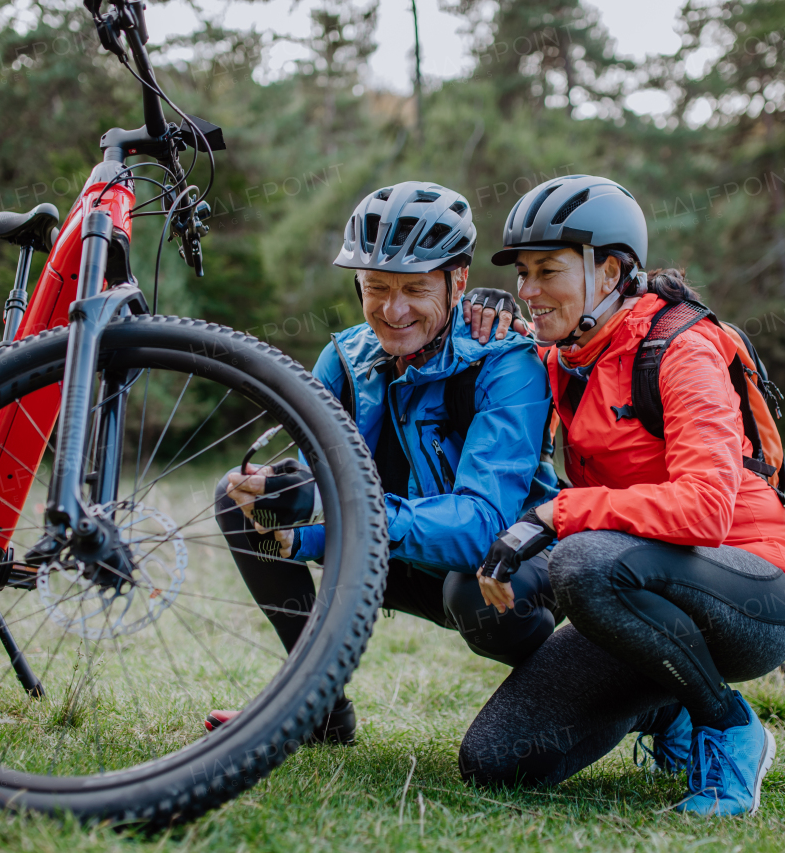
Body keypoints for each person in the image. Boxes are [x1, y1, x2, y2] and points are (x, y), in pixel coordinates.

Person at [457, 174, 785, 817]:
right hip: (631, 583)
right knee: (494, 763)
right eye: (521, 276)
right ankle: (667, 707)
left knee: (583, 560)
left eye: (547, 272)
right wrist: (476, 316)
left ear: (612, 270)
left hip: (755, 590)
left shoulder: (681, 349)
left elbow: (706, 507)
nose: (529, 292)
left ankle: (730, 727)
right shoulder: (558, 355)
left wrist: (557, 513)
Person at [209, 181, 562, 744]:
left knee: (471, 594)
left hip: (516, 563)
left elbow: (482, 528)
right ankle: (315, 705)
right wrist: (288, 525)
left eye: (417, 289)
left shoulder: (507, 364)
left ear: (459, 280)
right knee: (238, 500)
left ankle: (603, 685)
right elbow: (322, 500)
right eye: (376, 287)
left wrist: (344, 508)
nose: (393, 311)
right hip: (402, 554)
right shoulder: (343, 362)